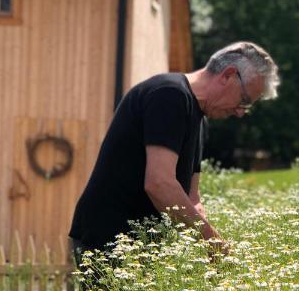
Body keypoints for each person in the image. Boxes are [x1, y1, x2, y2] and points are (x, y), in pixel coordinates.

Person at [70, 42, 279, 265]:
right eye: (244, 100)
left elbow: (193, 197)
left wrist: (209, 247)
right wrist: (213, 243)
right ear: (228, 75)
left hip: (142, 245)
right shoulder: (169, 95)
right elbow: (159, 183)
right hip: (108, 241)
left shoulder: (199, 118)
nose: (241, 112)